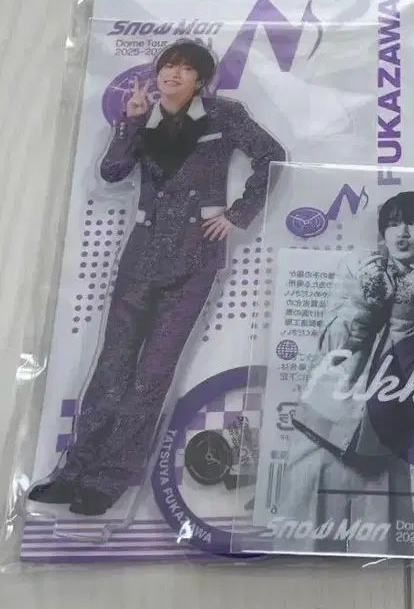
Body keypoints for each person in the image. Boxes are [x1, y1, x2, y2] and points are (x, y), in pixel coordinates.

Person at [29, 40, 286, 516]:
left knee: (151, 376)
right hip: (141, 256)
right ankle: (73, 471)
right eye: (168, 65)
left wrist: (238, 214)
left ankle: (109, 480)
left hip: (194, 258)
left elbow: (272, 155)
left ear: (200, 80)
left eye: (186, 68)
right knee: (111, 368)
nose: (173, 73)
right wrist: (129, 121)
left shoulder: (224, 114)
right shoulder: (143, 116)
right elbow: (112, 172)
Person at [281, 191, 414, 554]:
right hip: (322, 427)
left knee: (381, 555)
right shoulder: (359, 269)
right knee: (301, 548)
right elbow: (331, 347)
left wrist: (405, 316)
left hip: (384, 441)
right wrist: (367, 304)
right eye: (393, 224)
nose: (402, 233)